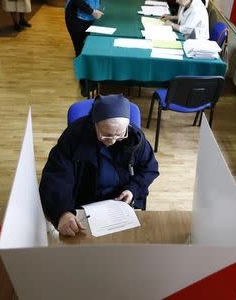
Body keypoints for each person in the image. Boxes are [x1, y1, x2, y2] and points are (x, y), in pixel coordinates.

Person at [39, 94, 159, 237]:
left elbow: (150, 168)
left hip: (120, 201)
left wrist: (133, 189)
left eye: (120, 135)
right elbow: (57, 176)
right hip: (84, 200)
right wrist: (63, 212)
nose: (113, 141)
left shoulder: (134, 138)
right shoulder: (74, 136)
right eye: (106, 135)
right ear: (94, 123)